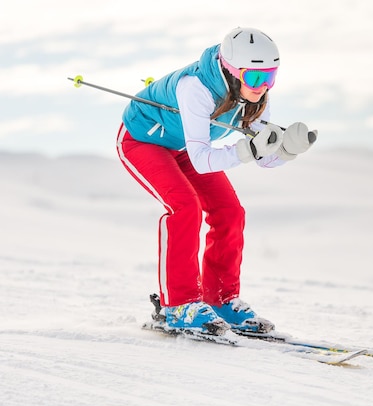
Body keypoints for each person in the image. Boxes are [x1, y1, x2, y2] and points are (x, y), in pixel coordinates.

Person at [116, 27, 315, 335]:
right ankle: (178, 306)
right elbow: (203, 159)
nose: (262, 87)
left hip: (182, 146)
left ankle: (220, 300)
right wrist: (246, 149)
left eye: (270, 76)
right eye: (254, 78)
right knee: (185, 207)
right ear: (232, 72)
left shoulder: (255, 98)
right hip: (143, 141)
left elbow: (262, 157)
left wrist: (286, 150)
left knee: (230, 212)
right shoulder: (195, 88)